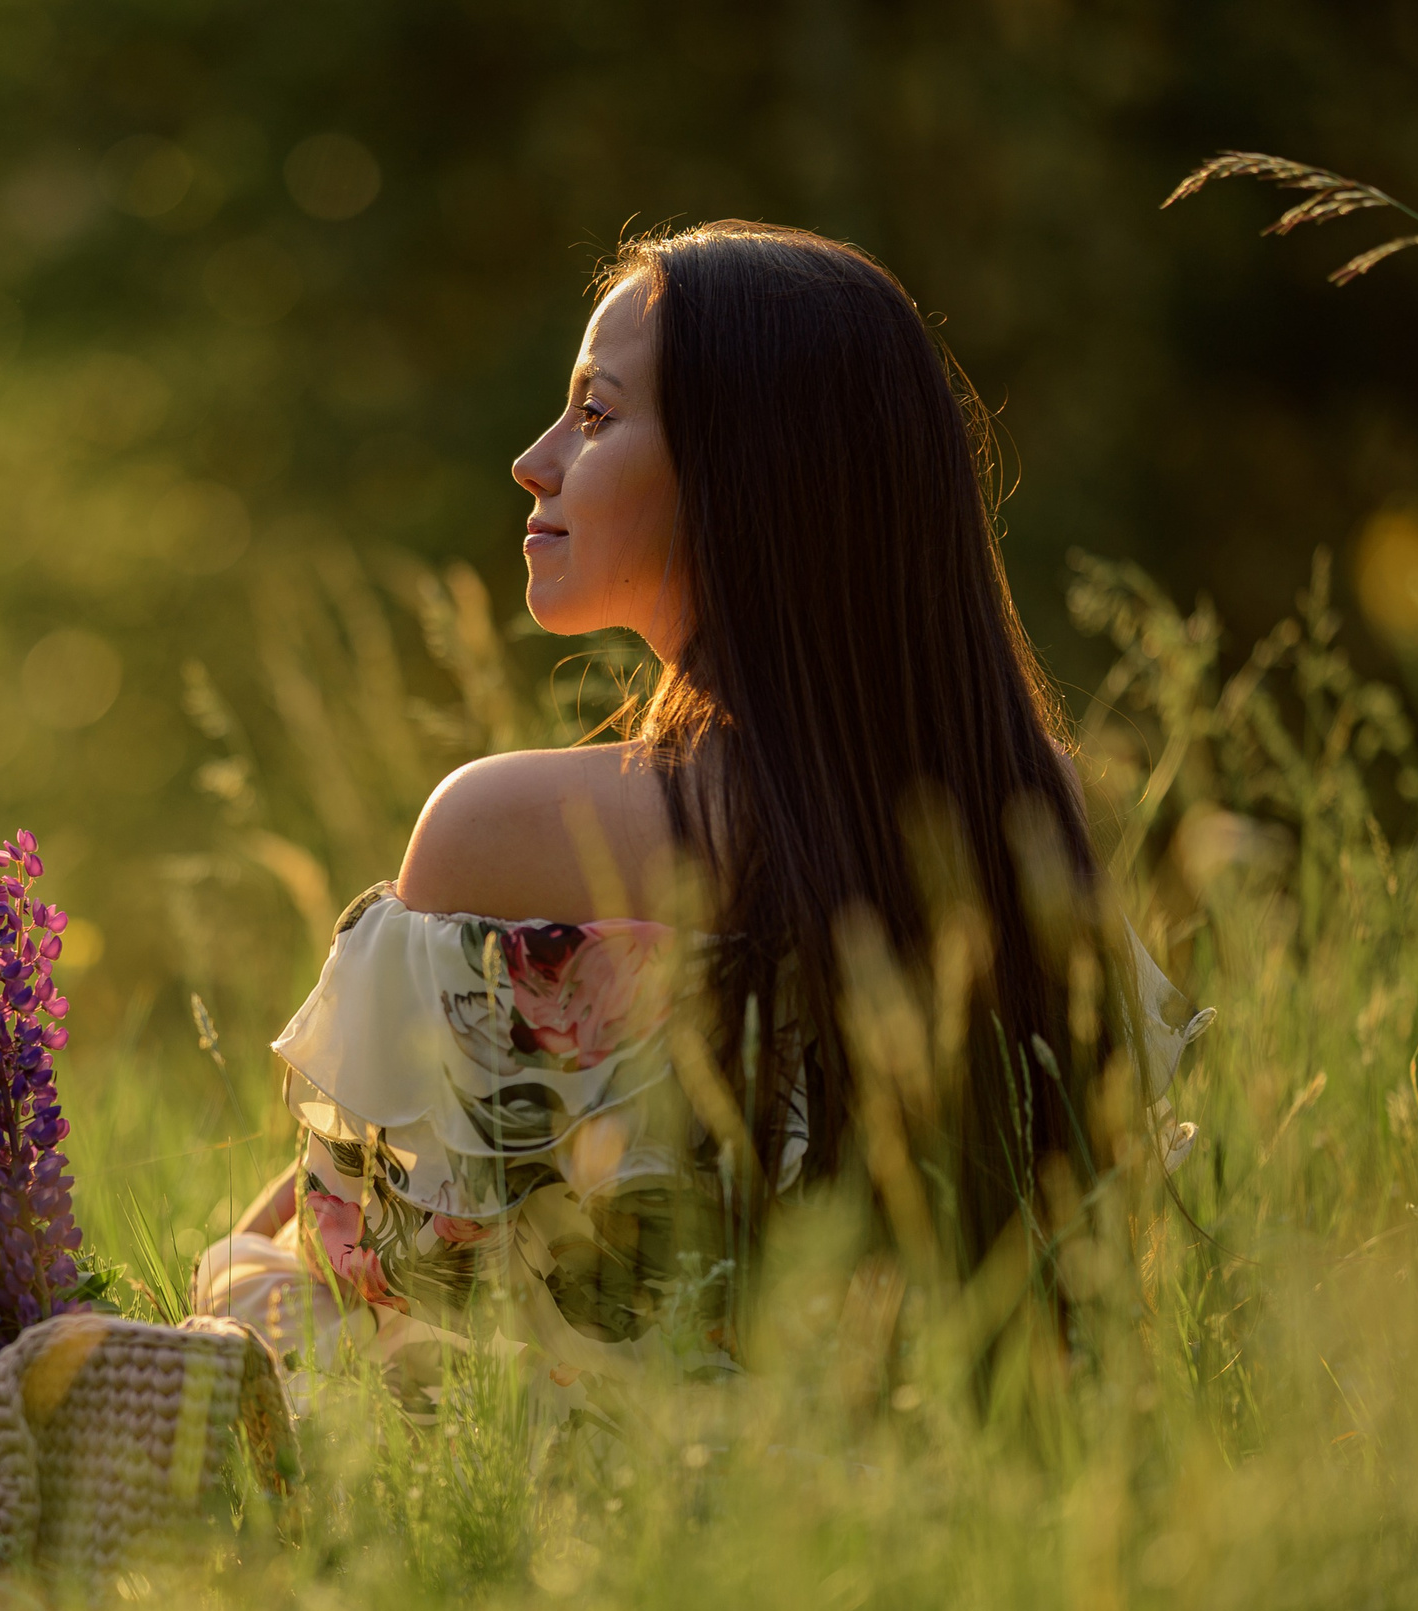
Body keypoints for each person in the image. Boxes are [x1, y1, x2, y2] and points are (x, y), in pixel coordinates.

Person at [190, 221, 1212, 1415]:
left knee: (238, 1285)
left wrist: (223, 1277)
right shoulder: (1029, 805)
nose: (533, 459)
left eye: (595, 413)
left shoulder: (506, 826)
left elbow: (362, 1263)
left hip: (595, 1519)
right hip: (953, 1495)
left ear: (746, 473)